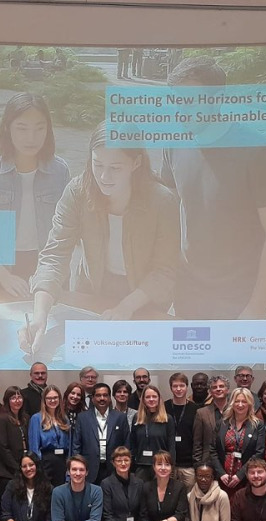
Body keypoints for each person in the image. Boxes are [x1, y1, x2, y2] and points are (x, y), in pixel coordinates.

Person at [20, 122, 180, 358]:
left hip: (145, 299)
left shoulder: (162, 201)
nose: (104, 177)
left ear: (136, 163)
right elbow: (55, 255)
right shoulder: (77, 191)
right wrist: (39, 317)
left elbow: (165, 271)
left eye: (115, 168)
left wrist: (126, 307)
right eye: (98, 165)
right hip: (92, 290)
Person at [161, 56, 266, 320]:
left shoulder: (258, 151)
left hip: (240, 298)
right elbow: (168, 212)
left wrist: (257, 307)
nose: (180, 110)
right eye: (176, 100)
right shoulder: (173, 143)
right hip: (188, 293)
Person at [0, 93, 70, 297]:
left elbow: (64, 232)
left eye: (40, 128)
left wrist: (48, 274)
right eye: (22, 129)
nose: (31, 138)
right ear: (7, 128)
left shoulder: (59, 171)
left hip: (44, 267)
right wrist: (3, 275)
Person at [73, 382, 130, 486]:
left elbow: (126, 444)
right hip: (90, 469)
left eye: (105, 395)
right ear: (93, 398)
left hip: (113, 468)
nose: (102, 398)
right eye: (98, 395)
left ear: (109, 397)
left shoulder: (120, 417)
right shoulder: (83, 418)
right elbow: (76, 445)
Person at [210, 387, 266, 492]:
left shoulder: (258, 425)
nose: (240, 405)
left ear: (249, 404)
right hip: (223, 476)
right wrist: (221, 473)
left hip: (246, 477)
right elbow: (212, 450)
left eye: (244, 401)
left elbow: (259, 452)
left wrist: (241, 475)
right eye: (237, 401)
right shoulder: (221, 423)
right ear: (232, 403)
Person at [129, 385, 176, 481]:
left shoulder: (167, 419)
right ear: (143, 400)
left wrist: (170, 467)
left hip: (161, 466)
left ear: (159, 399)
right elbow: (133, 445)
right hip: (141, 466)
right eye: (148, 397)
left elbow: (171, 446)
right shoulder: (137, 418)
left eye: (154, 396)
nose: (151, 399)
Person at [28, 385, 70, 487]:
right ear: (44, 400)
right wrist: (38, 467)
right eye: (49, 398)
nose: (52, 400)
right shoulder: (37, 418)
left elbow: (69, 444)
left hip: (62, 462)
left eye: (55, 397)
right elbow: (34, 446)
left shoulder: (64, 418)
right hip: (46, 462)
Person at [0, 386, 29, 497]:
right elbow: (2, 447)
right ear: (7, 401)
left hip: (23, 469)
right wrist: (17, 467)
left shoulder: (25, 418)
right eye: (13, 398)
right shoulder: (2, 419)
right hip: (6, 472)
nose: (17, 400)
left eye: (19, 397)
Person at [165, 373, 199, 489]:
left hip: (188, 465)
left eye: (182, 385)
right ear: (170, 388)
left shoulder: (196, 409)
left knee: (189, 498)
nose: (178, 389)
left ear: (187, 387)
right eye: (175, 386)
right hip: (168, 464)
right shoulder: (164, 407)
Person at [192, 375, 230, 467]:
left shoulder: (235, 411)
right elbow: (197, 443)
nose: (218, 389)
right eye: (214, 387)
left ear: (227, 389)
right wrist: (198, 465)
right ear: (210, 391)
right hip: (208, 463)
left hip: (230, 462)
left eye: (221, 386)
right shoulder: (201, 413)